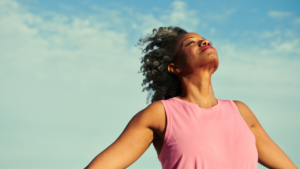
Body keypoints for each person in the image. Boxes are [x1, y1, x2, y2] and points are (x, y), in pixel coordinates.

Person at [84, 27, 297, 169]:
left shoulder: (241, 112)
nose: (203, 42)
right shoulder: (161, 114)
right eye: (190, 43)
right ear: (174, 67)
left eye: (205, 40)